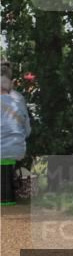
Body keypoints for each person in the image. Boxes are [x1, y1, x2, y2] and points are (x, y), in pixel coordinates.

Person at [1, 71, 32, 206]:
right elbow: (28, 130)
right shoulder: (19, 100)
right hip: (18, 147)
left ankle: (3, 196)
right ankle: (9, 195)